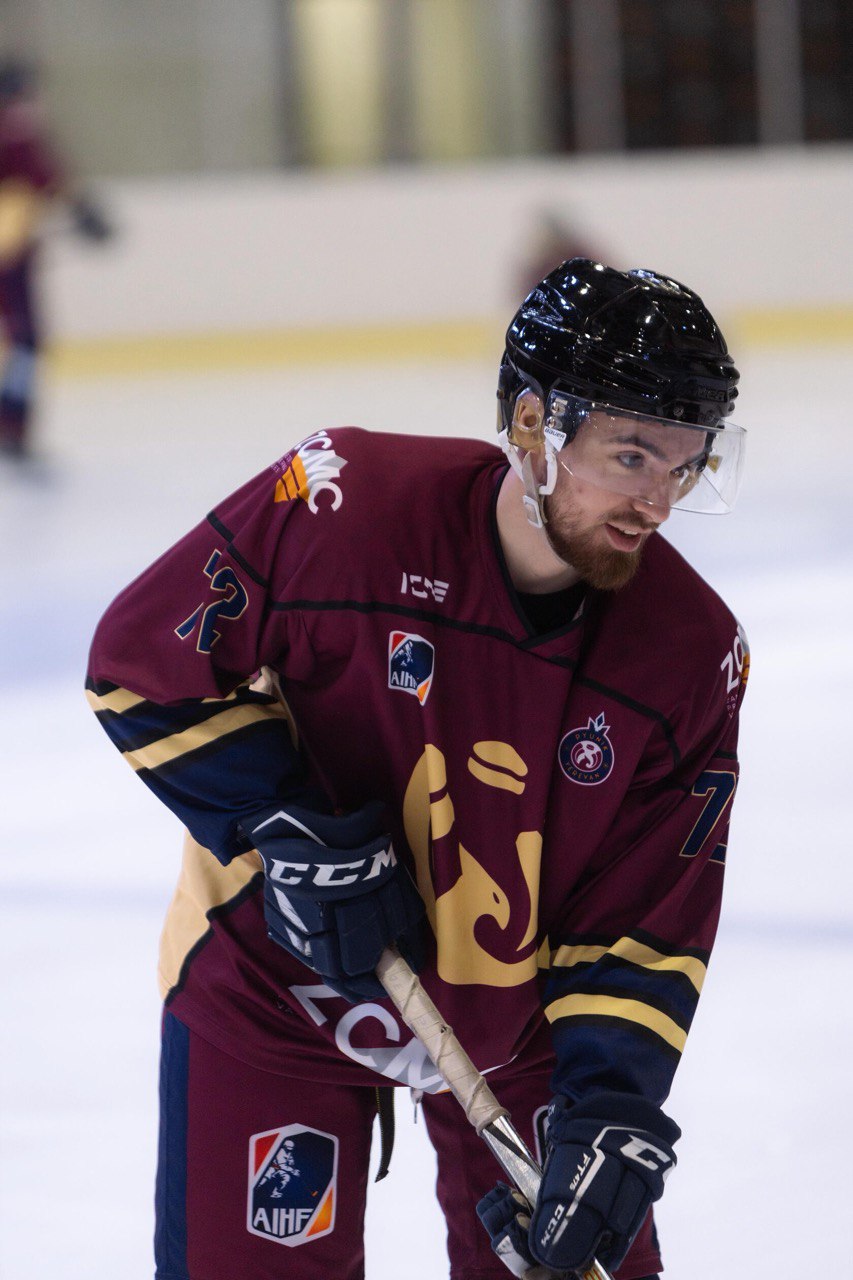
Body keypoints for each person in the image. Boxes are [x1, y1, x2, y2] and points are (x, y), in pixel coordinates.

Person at [86, 258, 749, 1280]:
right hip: (277, 988)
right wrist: (280, 822)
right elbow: (143, 667)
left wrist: (608, 1107)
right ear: (530, 423)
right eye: (630, 456)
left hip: (523, 1024)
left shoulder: (686, 653)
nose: (656, 501)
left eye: (685, 465)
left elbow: (646, 919)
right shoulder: (343, 507)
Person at [0, 57, 112, 459]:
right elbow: (49, 177)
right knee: (26, 340)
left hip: (15, 254)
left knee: (25, 341)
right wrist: (82, 209)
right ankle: (11, 422)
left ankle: (10, 420)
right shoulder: (17, 135)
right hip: (9, 260)